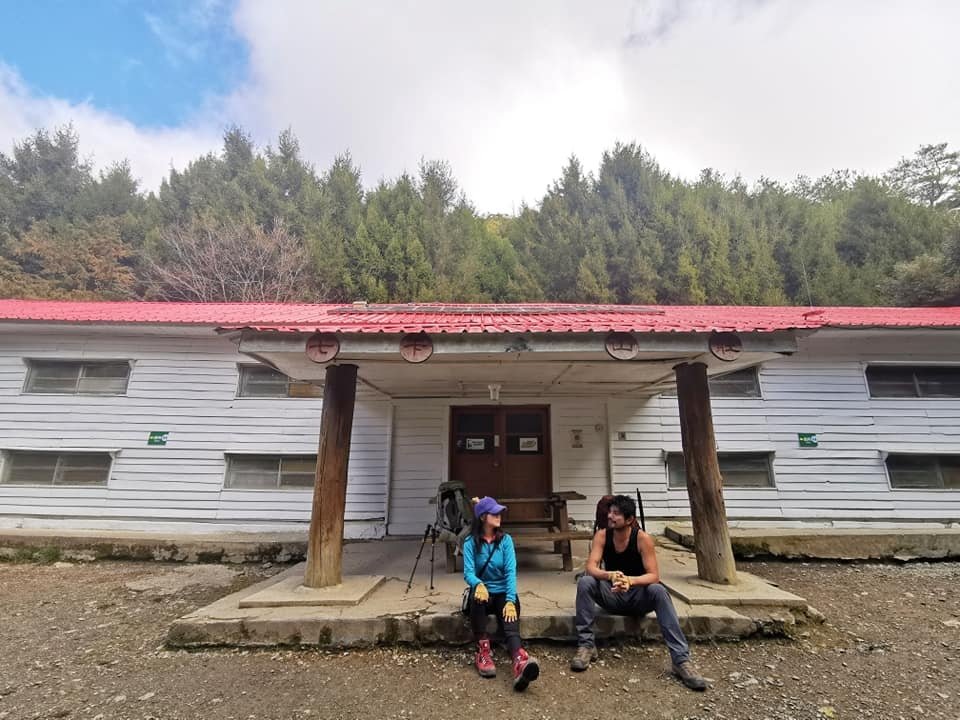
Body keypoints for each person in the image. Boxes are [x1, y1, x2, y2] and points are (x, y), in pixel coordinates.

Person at [570, 494, 707, 691]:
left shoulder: (642, 539)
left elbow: (654, 575)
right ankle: (587, 646)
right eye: (610, 511)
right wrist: (610, 576)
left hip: (637, 597)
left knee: (658, 590)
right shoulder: (602, 535)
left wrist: (630, 581)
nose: (610, 516)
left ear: (629, 520)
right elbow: (591, 567)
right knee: (585, 582)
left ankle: (680, 660)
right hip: (612, 594)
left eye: (616, 514)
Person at [463, 496, 540, 691]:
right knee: (478, 599)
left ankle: (519, 659)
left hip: (502, 593)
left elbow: (510, 572)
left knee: (510, 617)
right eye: (494, 513)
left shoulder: (506, 541)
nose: (499, 516)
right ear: (482, 517)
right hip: (483, 593)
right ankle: (483, 651)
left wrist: (510, 600)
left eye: (499, 512)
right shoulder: (470, 542)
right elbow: (468, 573)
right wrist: (478, 584)